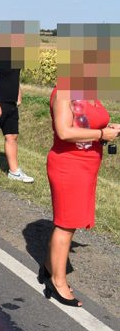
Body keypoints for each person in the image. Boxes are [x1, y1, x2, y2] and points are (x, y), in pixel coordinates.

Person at [44, 89, 119, 306]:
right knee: (66, 224)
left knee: (70, 222)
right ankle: (57, 282)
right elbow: (64, 132)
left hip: (86, 166)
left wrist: (108, 128)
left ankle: (49, 267)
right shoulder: (64, 92)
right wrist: (101, 134)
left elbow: (87, 122)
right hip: (68, 165)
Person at [0, 58, 34, 182]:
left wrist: (18, 94)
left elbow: (14, 78)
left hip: (11, 104)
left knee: (12, 136)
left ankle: (14, 172)